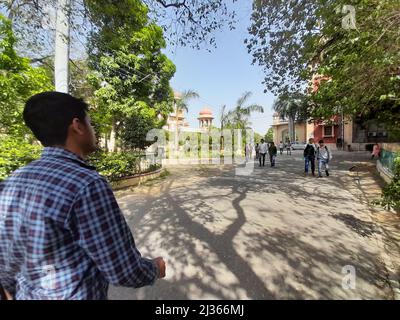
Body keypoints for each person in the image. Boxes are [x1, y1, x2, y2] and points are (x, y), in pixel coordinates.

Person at [0, 92, 166, 300]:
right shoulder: (86, 184)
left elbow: (6, 259)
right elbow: (123, 270)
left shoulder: (13, 179)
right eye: (91, 124)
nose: (94, 131)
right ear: (78, 126)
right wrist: (155, 268)